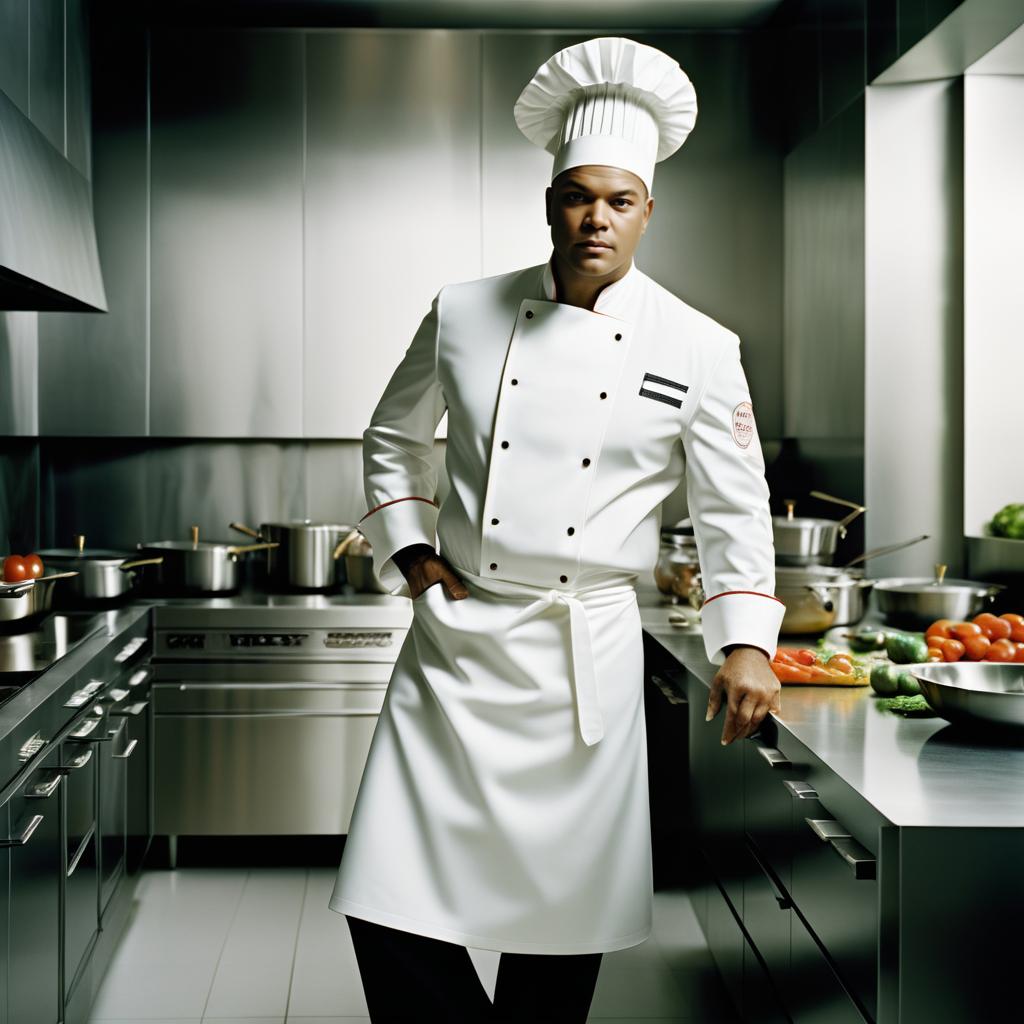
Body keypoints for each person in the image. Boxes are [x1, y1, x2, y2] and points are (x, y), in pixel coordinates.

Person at [328, 36, 785, 1023]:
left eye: (619, 200)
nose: (596, 218)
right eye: (578, 195)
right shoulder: (461, 311)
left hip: (590, 647)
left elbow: (732, 504)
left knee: (561, 923)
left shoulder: (700, 348)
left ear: (648, 211)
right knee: (387, 897)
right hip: (459, 641)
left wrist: (745, 640)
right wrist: (411, 549)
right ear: (548, 203)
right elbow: (389, 433)